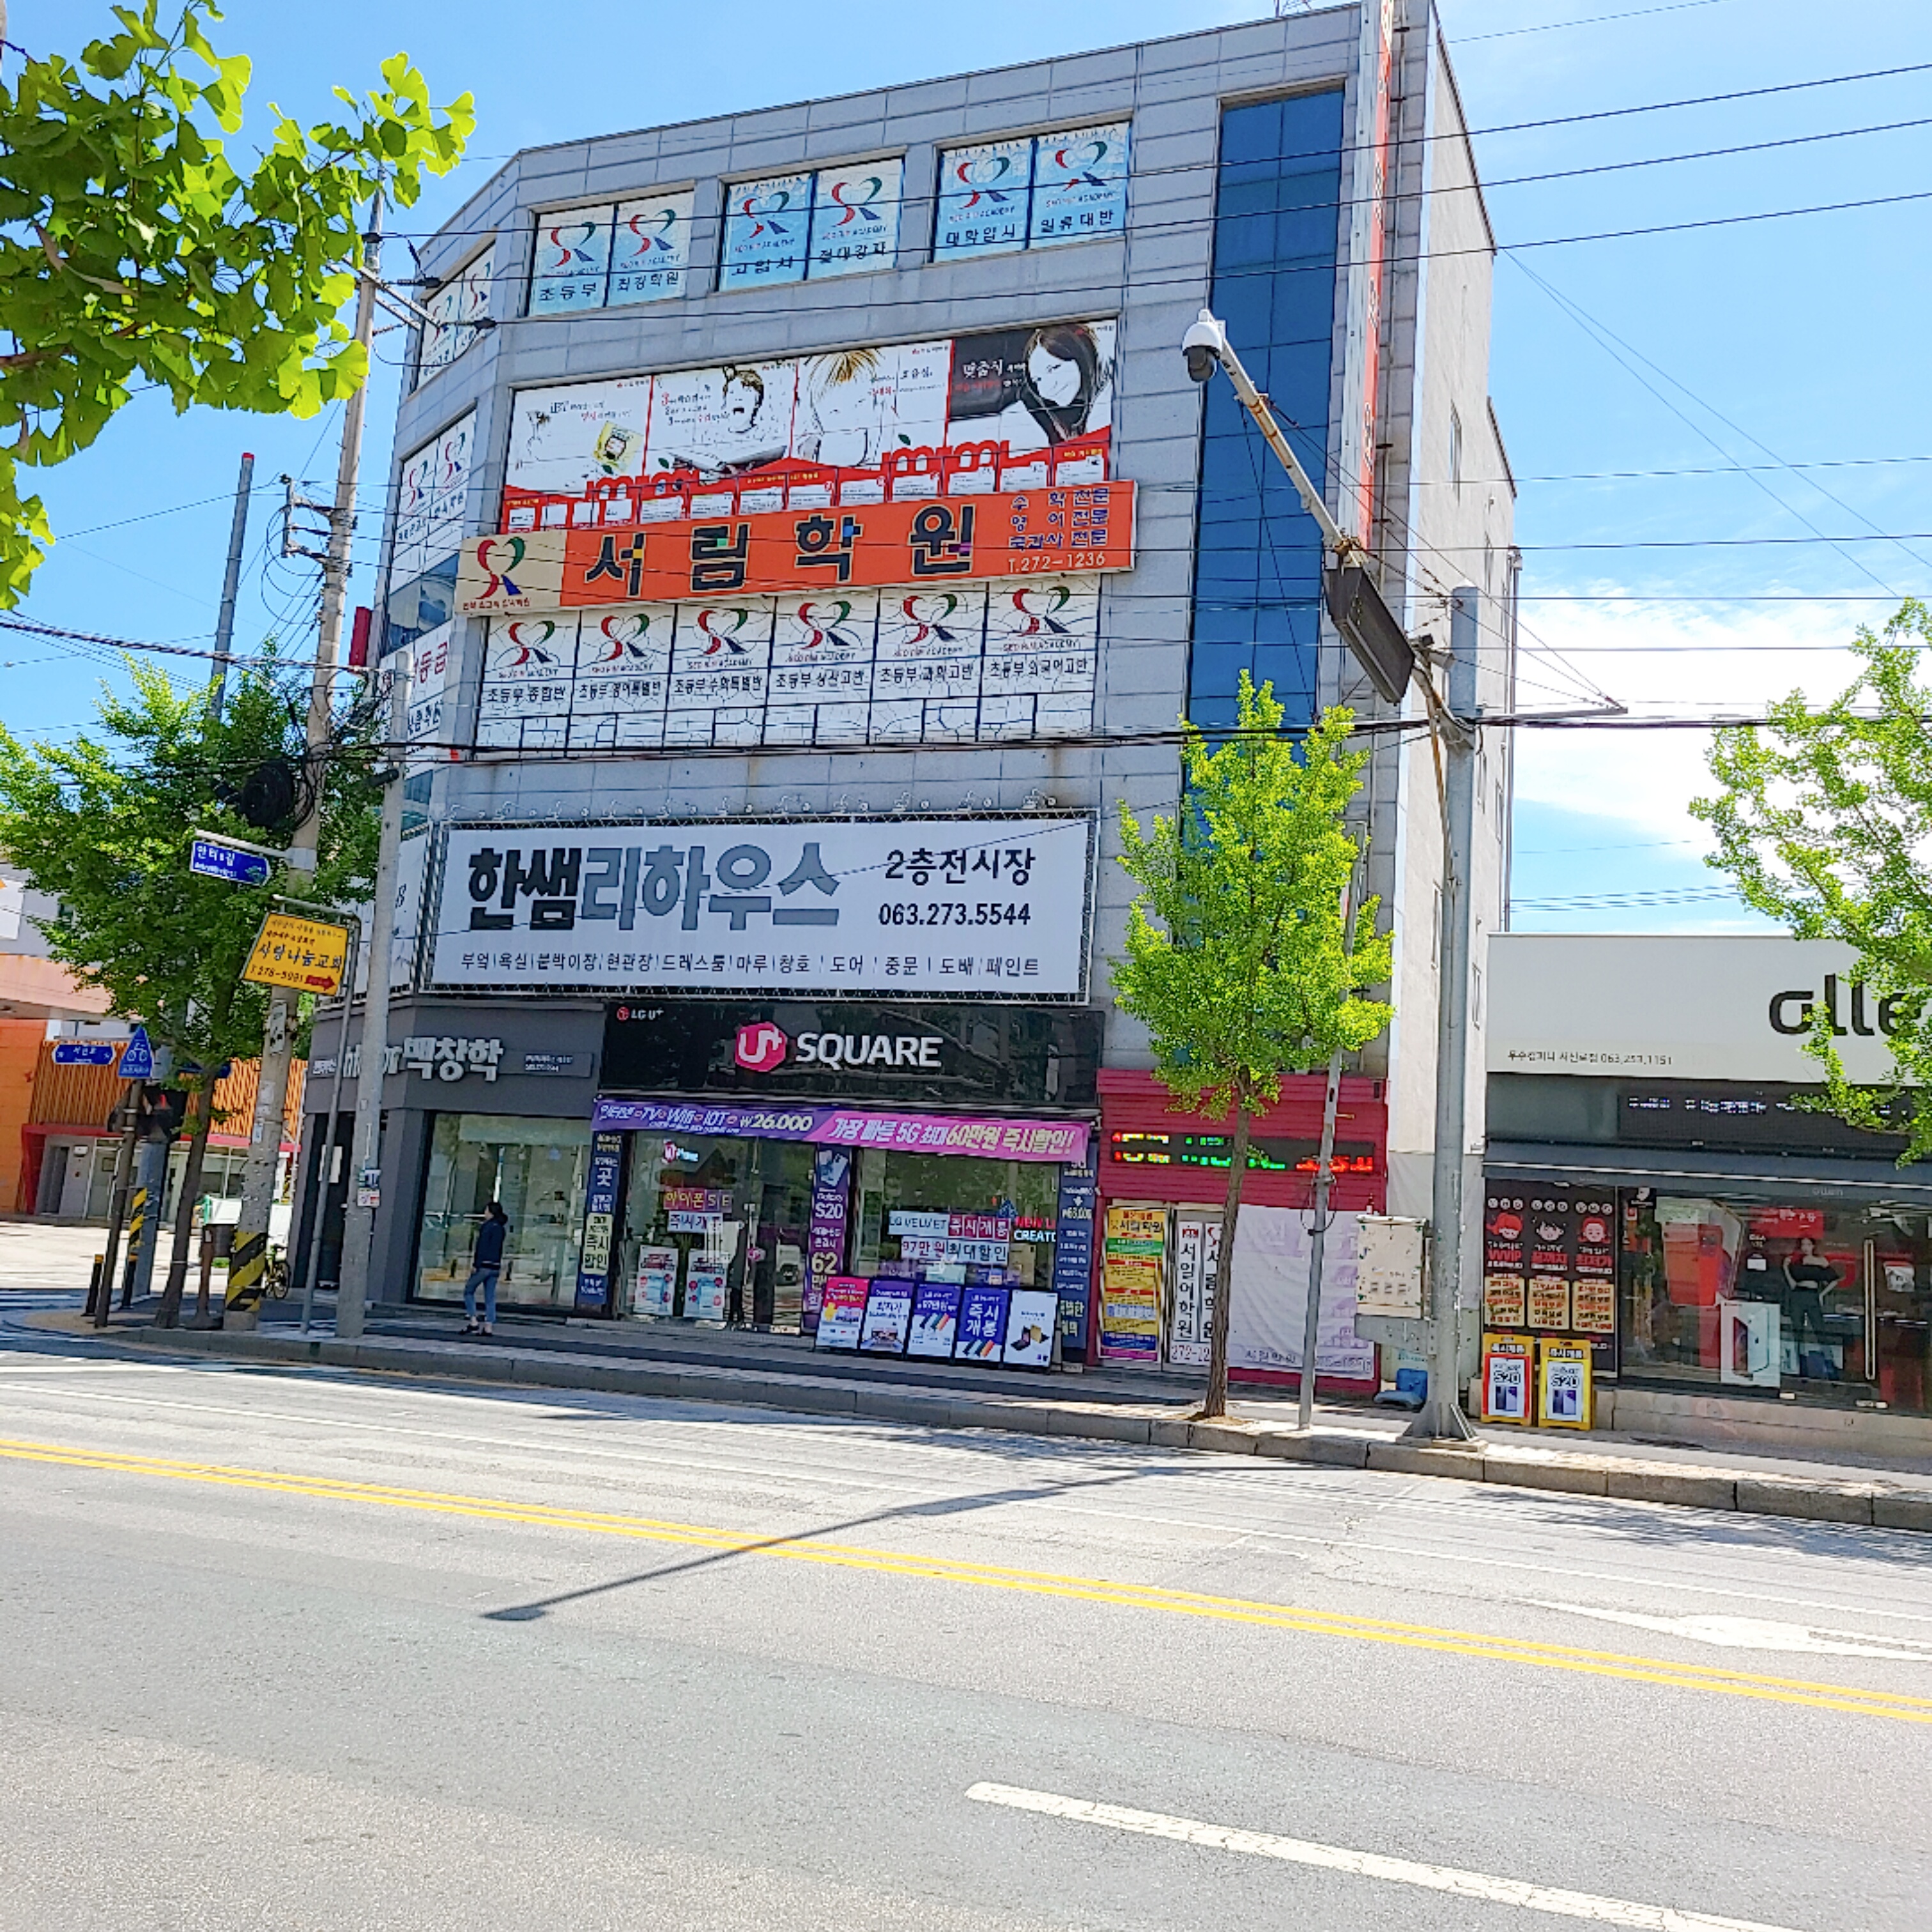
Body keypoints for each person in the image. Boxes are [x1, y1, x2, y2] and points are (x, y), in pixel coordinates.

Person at [1782, 1234, 1841, 1377]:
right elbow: (1793, 1285)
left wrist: (1822, 1294)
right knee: (1798, 1332)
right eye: (1803, 1245)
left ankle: (1830, 1366)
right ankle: (1802, 1369)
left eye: (1808, 1245)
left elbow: (1834, 1279)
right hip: (1798, 1295)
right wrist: (1786, 1268)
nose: (1806, 1248)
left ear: (1813, 1246)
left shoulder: (1820, 1261)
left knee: (1820, 1330)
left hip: (1812, 1295)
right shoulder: (1797, 1262)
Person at [463, 1202, 510, 1337]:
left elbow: (482, 1247)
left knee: (469, 1291)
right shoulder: (501, 1228)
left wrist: (476, 1264)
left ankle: (473, 1321)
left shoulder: (487, 1227)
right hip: (495, 1266)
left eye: (486, 1210)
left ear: (491, 1213)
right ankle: (489, 1326)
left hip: (483, 1265)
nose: (485, 1213)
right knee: (490, 1297)